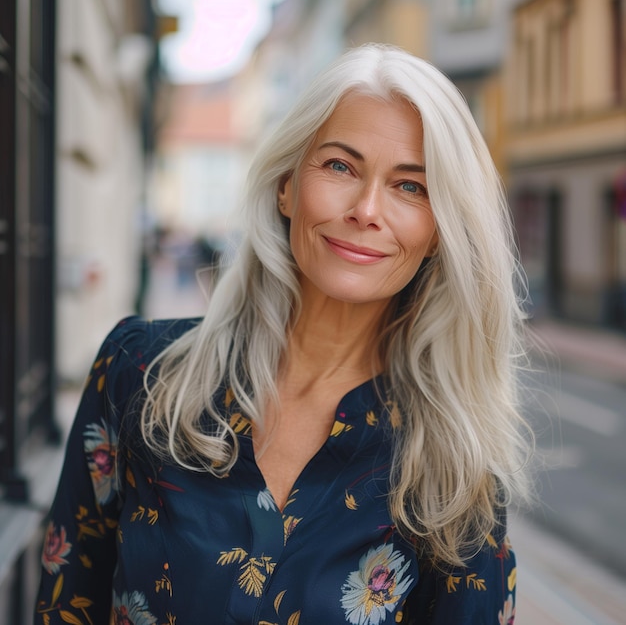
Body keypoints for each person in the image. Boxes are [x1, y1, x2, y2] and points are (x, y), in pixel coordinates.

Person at [35, 43, 532, 624]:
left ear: (441, 230)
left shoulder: (454, 466)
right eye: (341, 166)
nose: (367, 209)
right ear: (286, 186)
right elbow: (64, 603)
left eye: (410, 187)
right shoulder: (139, 371)